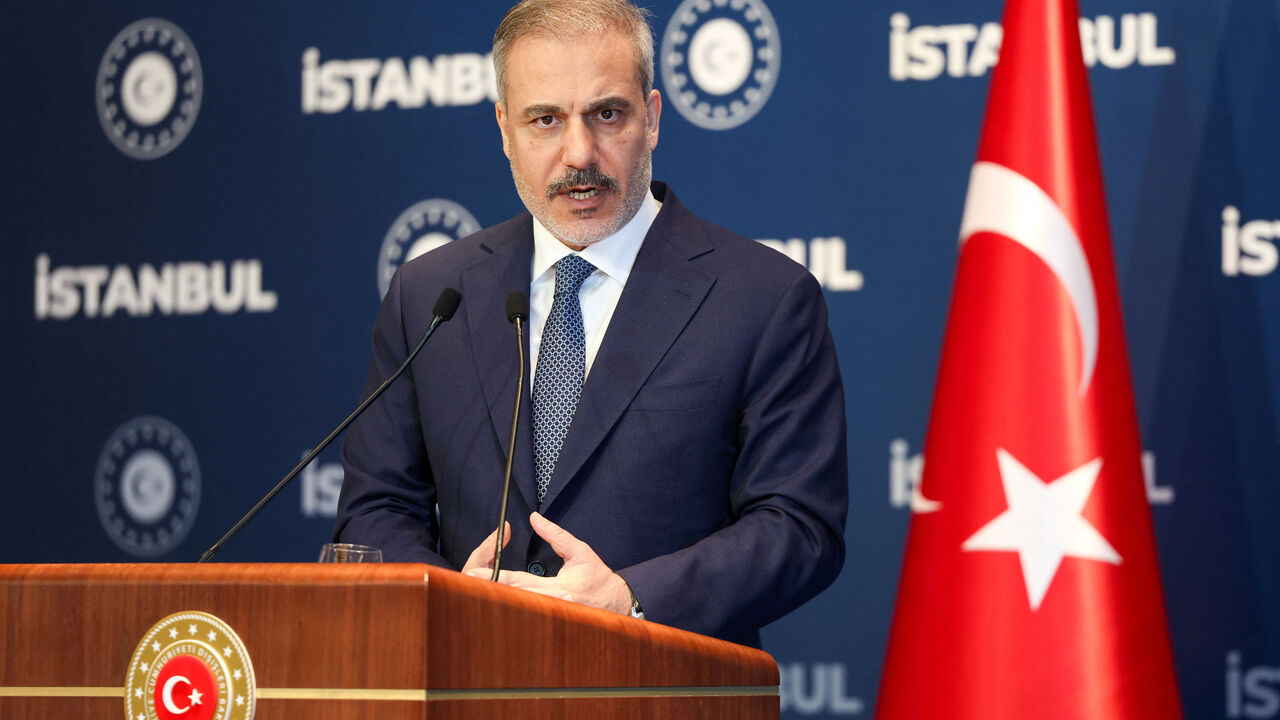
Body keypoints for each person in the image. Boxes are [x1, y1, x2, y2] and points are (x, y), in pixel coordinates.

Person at [333, 0, 847, 648]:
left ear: (653, 118)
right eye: (545, 119)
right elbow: (373, 512)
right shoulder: (431, 295)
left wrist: (629, 600)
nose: (580, 153)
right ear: (504, 130)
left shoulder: (764, 299)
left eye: (606, 114)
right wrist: (450, 603)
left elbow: (801, 528)